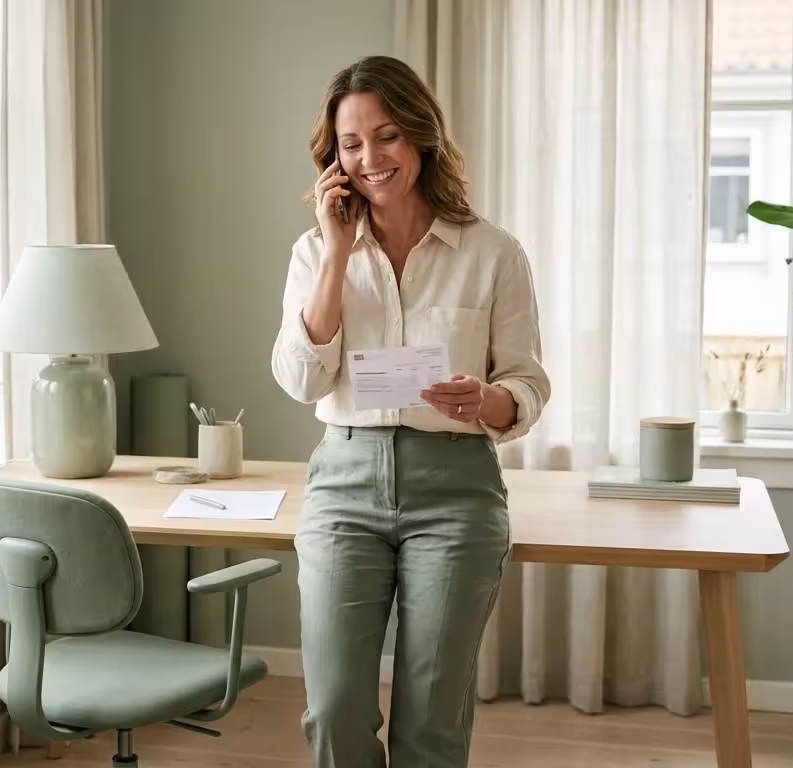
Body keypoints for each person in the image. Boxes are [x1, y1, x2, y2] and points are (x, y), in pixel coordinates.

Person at [271, 55, 551, 767]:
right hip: (344, 487)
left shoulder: (493, 254)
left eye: (387, 135)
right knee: (333, 710)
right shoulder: (313, 252)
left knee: (432, 721)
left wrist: (488, 400)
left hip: (455, 489)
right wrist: (337, 256)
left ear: (423, 136)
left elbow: (526, 381)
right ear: (333, 157)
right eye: (352, 143)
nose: (371, 157)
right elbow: (302, 380)